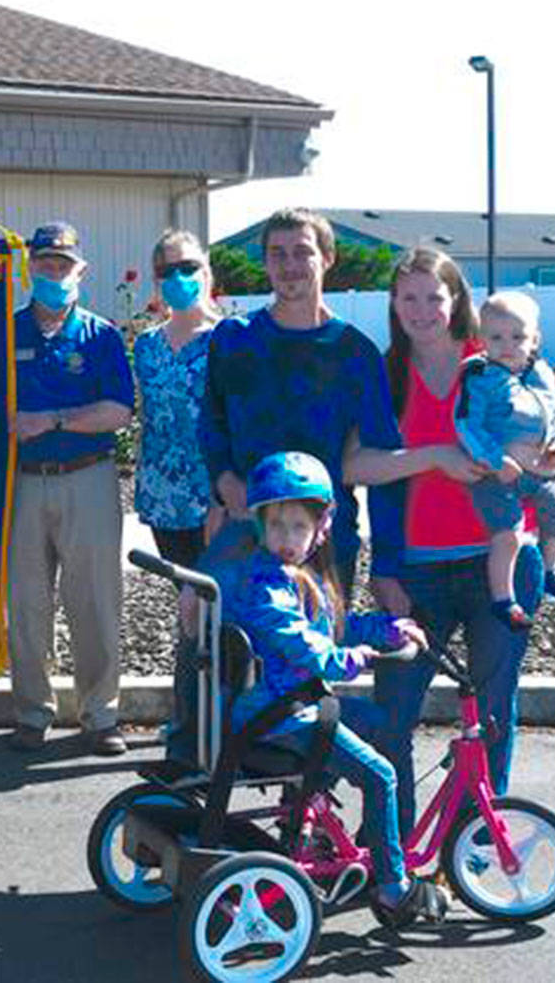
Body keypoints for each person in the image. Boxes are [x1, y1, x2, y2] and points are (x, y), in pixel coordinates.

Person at [170, 208, 403, 763]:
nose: (290, 265)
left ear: (327, 258)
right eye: (277, 254)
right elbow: (212, 422)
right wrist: (224, 483)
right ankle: (196, 784)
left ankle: (306, 816)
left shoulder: (354, 352)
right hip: (243, 527)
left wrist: (388, 565)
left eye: (302, 252)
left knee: (308, 666)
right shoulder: (235, 338)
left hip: (322, 543)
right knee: (206, 651)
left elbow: (381, 458)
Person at [343, 248, 545, 836]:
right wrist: (433, 458)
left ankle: (471, 843)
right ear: (392, 305)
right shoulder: (386, 374)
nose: (423, 309)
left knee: (491, 713)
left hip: (500, 566)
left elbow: (549, 426)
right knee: (392, 714)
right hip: (416, 573)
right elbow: (355, 466)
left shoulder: (498, 359)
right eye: (408, 297)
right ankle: (390, 841)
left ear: (457, 299)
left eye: (435, 295)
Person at [222, 451, 443, 926]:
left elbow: (335, 625)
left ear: (320, 528)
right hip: (281, 716)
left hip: (291, 706)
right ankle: (392, 887)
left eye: (297, 527)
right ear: (260, 525)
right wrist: (347, 662)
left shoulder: (294, 577)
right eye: (276, 526)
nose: (286, 539)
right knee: (381, 775)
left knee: (378, 724)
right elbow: (305, 644)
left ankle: (307, 811)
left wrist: (388, 629)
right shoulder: (267, 589)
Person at [7, 221, 134, 756]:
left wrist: (54, 419)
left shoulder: (100, 336)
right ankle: (31, 712)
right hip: (22, 484)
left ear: (80, 271)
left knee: (96, 601)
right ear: (29, 268)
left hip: (88, 477)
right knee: (27, 602)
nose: (53, 274)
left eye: (63, 265)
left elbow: (119, 412)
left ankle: (100, 714)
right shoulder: (5, 332)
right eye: (44, 264)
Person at [455, 291, 555, 628]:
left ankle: (550, 573)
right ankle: (503, 599)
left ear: (534, 339)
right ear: (481, 339)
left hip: (537, 471)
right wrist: (495, 459)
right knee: (508, 532)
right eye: (496, 337)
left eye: (518, 336)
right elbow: (466, 422)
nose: (507, 345)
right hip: (495, 473)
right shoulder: (479, 375)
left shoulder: (540, 372)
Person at [133, 228, 220, 570]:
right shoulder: (146, 346)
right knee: (185, 595)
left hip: (214, 497)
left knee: (220, 602)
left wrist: (225, 498)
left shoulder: (229, 339)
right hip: (162, 497)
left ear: (206, 270)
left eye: (187, 266)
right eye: (166, 271)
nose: (178, 277)